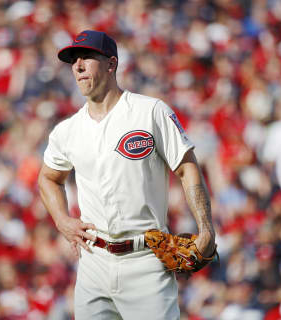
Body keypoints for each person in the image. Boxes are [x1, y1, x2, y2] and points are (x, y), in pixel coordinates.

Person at [37, 30, 216, 319]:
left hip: (146, 259)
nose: (78, 66)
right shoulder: (67, 131)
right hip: (93, 261)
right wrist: (62, 220)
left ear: (111, 64)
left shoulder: (150, 112)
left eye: (87, 58)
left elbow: (187, 167)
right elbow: (48, 178)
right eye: (73, 60)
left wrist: (206, 228)